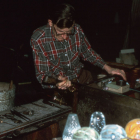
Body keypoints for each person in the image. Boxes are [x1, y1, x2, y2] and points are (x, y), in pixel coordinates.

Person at [30, 3, 126, 90]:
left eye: (68, 32)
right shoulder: (39, 39)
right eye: (60, 32)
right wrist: (58, 80)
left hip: (80, 77)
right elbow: (42, 75)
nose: (65, 37)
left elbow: (87, 52)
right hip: (58, 87)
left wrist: (108, 68)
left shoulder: (77, 29)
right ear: (51, 22)